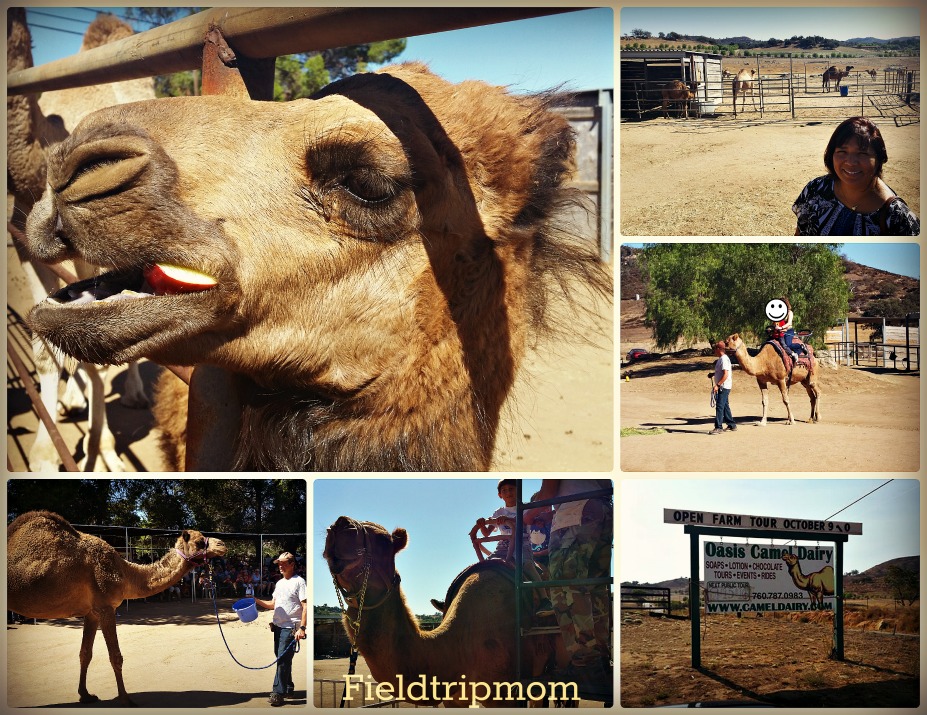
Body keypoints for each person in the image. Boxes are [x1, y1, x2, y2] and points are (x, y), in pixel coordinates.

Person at [524, 480, 613, 701]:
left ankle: (585, 665)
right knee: (596, 588)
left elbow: (549, 490)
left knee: (565, 589)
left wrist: (527, 515)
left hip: (574, 514)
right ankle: (601, 660)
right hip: (602, 511)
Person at [793, 116, 919, 235]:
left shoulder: (898, 218)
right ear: (831, 155)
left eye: (862, 153)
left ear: (879, 159)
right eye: (842, 151)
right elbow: (800, 233)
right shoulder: (815, 189)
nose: (851, 162)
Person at [254, 552, 307, 707]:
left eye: (283, 563)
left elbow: (305, 606)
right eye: (279, 563)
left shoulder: (300, 582)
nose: (280, 566)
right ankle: (288, 688)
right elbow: (272, 604)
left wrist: (302, 628)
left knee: (282, 659)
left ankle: (278, 693)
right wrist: (255, 600)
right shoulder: (279, 583)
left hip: (291, 628)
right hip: (277, 627)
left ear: (292, 564)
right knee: (282, 657)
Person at [710, 340, 736, 435]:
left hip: (723, 387)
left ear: (719, 349)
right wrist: (713, 374)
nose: (714, 350)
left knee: (720, 406)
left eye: (715, 348)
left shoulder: (724, 359)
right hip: (724, 386)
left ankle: (718, 427)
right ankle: (731, 424)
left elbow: (725, 374)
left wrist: (718, 385)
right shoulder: (721, 359)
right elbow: (721, 372)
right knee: (725, 405)